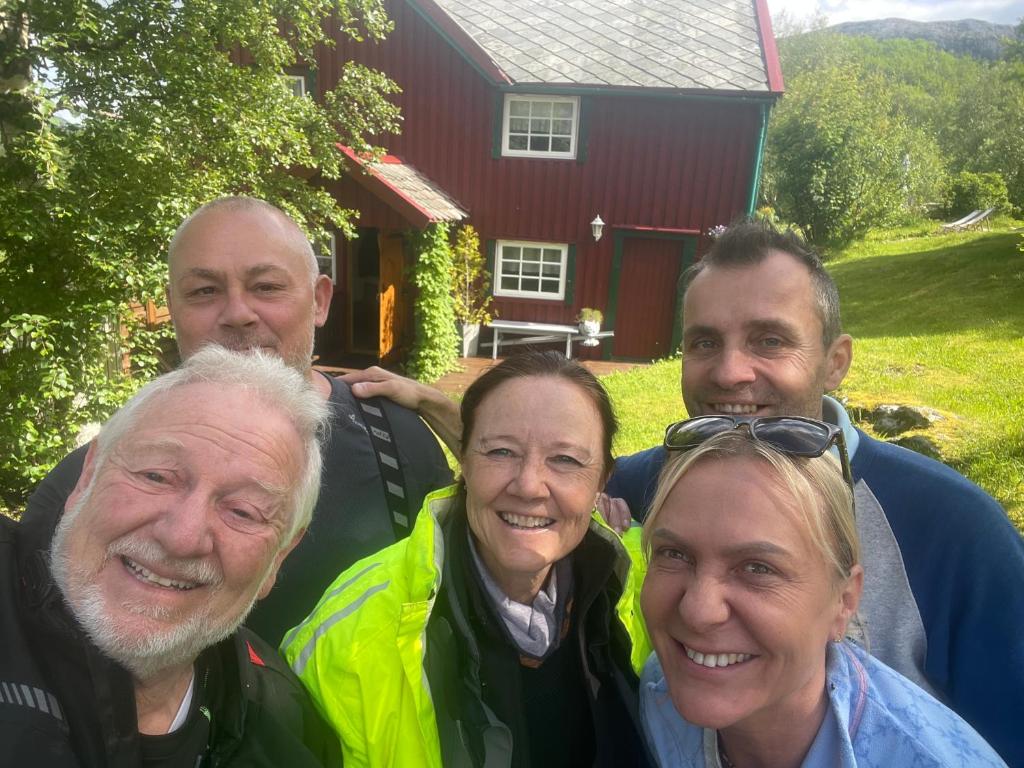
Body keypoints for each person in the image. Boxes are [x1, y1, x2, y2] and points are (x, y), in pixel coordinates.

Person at [341, 220, 1024, 765]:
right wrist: (447, 416)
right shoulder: (643, 486)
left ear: (835, 361)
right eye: (703, 342)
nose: (730, 372)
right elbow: (540, 484)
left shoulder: (951, 527)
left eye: (769, 340)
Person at [23, 195, 453, 646]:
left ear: (319, 300)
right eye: (204, 291)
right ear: (173, 307)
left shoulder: (398, 441)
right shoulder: (90, 483)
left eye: (266, 287)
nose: (237, 314)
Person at [282, 351, 652, 767]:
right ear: (465, 461)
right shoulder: (346, 644)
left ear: (602, 479)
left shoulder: (654, 584)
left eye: (565, 459)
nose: (529, 486)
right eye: (501, 452)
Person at [1, 346, 341, 766]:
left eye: (242, 511)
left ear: (279, 557)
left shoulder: (290, 732)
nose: (181, 538)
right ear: (88, 475)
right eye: (156, 476)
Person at [639, 417, 1006, 768]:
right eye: (674, 554)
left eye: (757, 568)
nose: (698, 611)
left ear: (844, 602)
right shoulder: (664, 687)